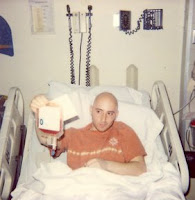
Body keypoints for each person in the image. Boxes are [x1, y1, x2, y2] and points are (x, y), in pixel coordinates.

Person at [30, 92, 147, 176]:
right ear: (91, 110)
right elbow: (45, 139)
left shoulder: (123, 131)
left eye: (110, 113)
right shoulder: (74, 135)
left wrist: (106, 165)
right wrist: (40, 113)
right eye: (98, 111)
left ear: (116, 114)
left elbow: (140, 168)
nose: (103, 119)